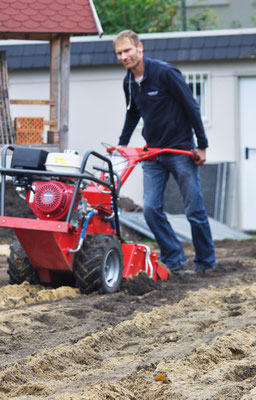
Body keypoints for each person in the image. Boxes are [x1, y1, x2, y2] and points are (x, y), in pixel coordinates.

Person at [113, 30, 216, 276]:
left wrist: (201, 144)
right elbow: (132, 114)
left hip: (180, 149)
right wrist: (121, 146)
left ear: (140, 48)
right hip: (153, 154)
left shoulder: (165, 73)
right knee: (150, 209)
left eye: (127, 50)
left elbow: (191, 105)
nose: (124, 56)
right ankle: (174, 257)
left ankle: (205, 261)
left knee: (194, 209)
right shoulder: (128, 82)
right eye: (119, 53)